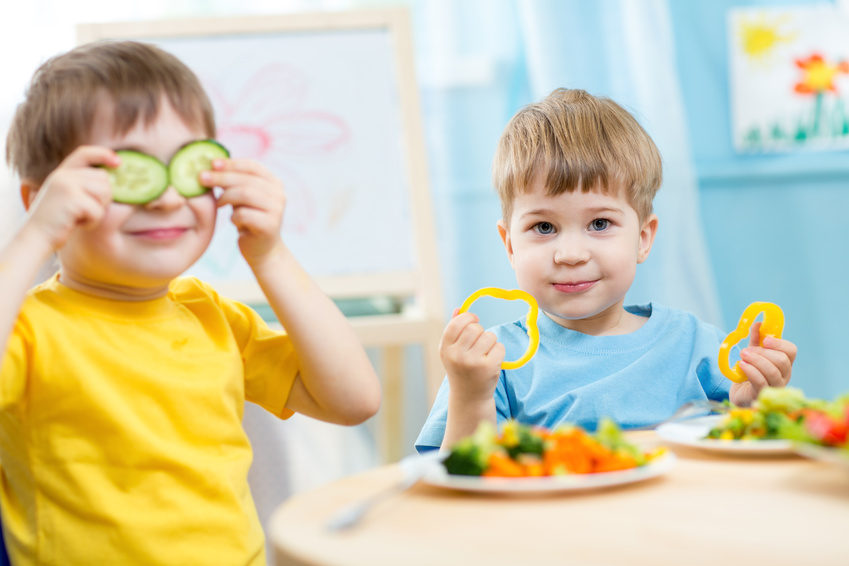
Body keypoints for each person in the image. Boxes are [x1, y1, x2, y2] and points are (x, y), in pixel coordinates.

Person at [0, 41, 381, 565]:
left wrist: (269, 255)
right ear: (42, 199)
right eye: (124, 175)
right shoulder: (28, 329)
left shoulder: (209, 314)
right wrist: (33, 234)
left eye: (185, 166)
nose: (165, 198)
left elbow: (354, 399)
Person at [416, 88, 796, 453]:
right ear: (510, 245)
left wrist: (754, 406)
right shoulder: (489, 366)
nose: (570, 254)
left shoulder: (698, 347)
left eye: (599, 224)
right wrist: (470, 395)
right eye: (543, 228)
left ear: (643, 239)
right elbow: (455, 488)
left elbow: (753, 465)